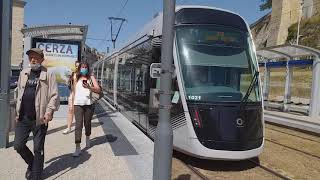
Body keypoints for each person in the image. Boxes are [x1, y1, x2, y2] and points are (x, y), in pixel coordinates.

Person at [14, 48, 59, 179]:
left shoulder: (49, 74)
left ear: (41, 59)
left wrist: (49, 111)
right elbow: (19, 93)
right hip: (23, 117)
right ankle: (33, 163)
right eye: (30, 57)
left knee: (38, 149)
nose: (33, 59)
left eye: (35, 57)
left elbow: (54, 95)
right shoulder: (24, 73)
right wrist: (18, 111)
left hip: (40, 118)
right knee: (18, 145)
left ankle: (37, 175)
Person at [72, 62, 101, 156]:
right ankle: (77, 147)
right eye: (82, 67)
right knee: (78, 125)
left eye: (85, 67)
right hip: (78, 104)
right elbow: (74, 91)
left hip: (89, 104)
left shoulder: (91, 77)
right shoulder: (76, 77)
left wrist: (89, 87)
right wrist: (72, 104)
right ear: (79, 68)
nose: (84, 69)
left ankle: (87, 137)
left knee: (87, 123)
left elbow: (98, 89)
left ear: (88, 69)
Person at [63, 61, 80, 134]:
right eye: (76, 66)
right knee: (70, 111)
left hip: (80, 96)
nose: (77, 67)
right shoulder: (73, 74)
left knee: (79, 112)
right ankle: (69, 127)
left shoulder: (84, 75)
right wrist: (68, 79)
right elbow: (69, 84)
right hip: (72, 95)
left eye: (79, 66)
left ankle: (79, 127)